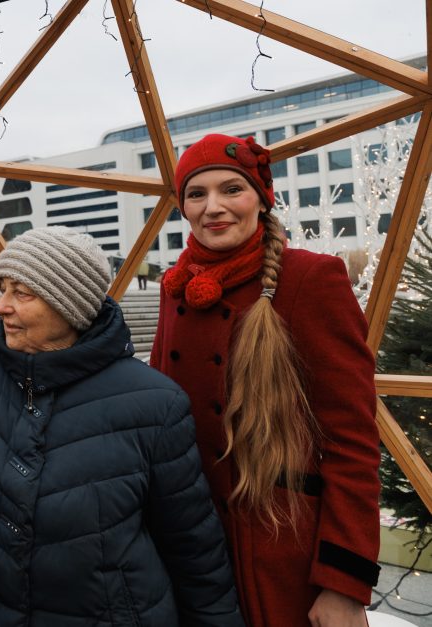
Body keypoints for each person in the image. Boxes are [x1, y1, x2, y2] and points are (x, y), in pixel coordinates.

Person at [0, 226, 244, 627]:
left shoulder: (155, 404)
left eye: (21, 293)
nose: (1, 307)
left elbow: (193, 547)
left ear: (71, 306)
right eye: (2, 289)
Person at [151, 134, 381, 627]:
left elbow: (352, 442)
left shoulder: (310, 279)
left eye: (231, 189)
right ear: (182, 207)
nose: (213, 207)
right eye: (197, 194)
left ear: (261, 196)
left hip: (276, 550)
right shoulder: (176, 287)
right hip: (189, 544)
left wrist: (342, 583)